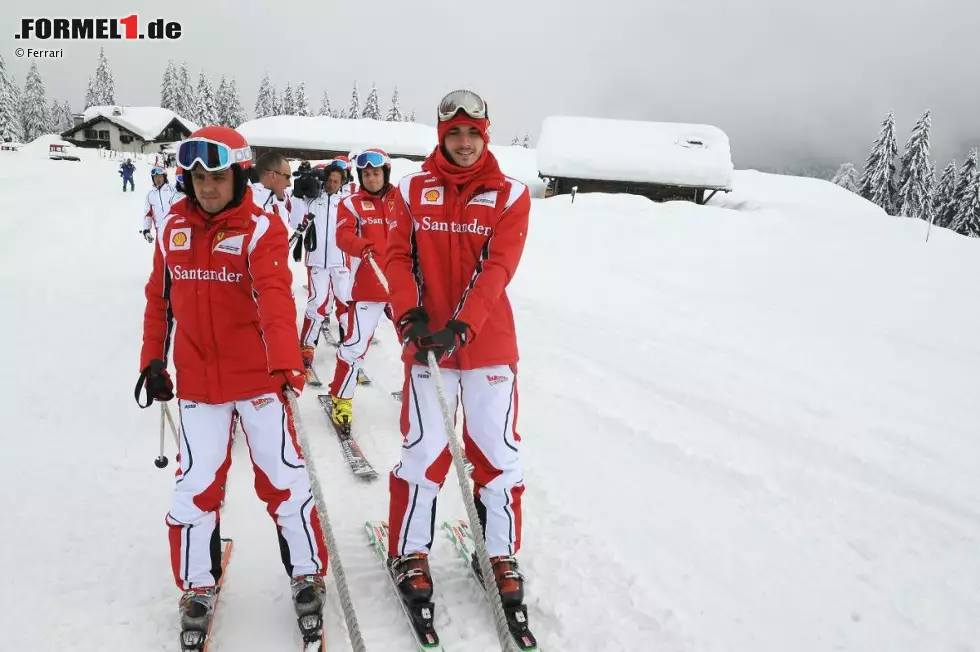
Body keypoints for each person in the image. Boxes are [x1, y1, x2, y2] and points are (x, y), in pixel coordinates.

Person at [135, 125, 327, 638]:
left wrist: (288, 361)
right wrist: (153, 359)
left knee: (284, 480)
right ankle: (198, 583)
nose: (205, 187)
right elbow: (159, 298)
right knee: (195, 486)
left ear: (240, 174)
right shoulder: (174, 226)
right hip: (198, 384)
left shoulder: (262, 228)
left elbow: (276, 298)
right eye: (196, 177)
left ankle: (307, 574)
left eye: (216, 176)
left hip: (260, 381)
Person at [384, 90, 532, 611]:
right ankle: (409, 551)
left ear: (485, 135)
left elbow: (498, 268)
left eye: (473, 133)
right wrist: (409, 311)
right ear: (441, 134)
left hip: (487, 344)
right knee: (424, 451)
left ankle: (499, 554)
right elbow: (396, 255)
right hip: (427, 345)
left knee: (497, 452)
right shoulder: (410, 189)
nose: (464, 143)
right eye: (454, 133)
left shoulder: (510, 193)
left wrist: (463, 326)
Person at [326, 149, 395, 429]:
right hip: (368, 285)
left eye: (376, 173)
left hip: (402, 286)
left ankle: (422, 399)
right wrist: (361, 246)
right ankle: (341, 398)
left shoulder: (401, 200)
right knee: (354, 346)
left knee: (417, 346)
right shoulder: (352, 203)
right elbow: (342, 235)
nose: (371, 178)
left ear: (385, 173)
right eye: (366, 173)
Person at [292, 163, 351, 372]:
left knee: (346, 302)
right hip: (317, 260)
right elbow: (295, 222)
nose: (332, 184)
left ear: (342, 183)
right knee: (316, 302)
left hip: (341, 261)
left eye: (337, 181)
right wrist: (298, 196)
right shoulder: (312, 200)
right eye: (330, 180)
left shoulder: (346, 201)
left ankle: (350, 344)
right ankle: (307, 346)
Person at [250, 151, 294, 230]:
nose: (289, 184)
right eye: (287, 177)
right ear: (272, 175)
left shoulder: (278, 207)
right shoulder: (244, 208)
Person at [141, 166, 181, 243]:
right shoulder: (150, 195)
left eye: (160, 176)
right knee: (162, 254)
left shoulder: (174, 190)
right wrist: (146, 230)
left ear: (164, 177)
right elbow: (148, 214)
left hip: (176, 228)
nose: (157, 179)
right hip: (160, 231)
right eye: (155, 177)